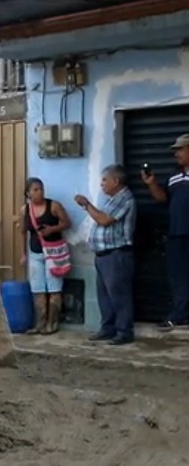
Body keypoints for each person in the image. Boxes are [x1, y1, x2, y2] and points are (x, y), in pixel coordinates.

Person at [75, 164, 137, 345]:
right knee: (105, 296)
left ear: (116, 181)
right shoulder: (112, 199)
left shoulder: (125, 198)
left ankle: (124, 332)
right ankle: (108, 329)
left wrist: (86, 204)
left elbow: (104, 220)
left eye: (104, 180)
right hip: (103, 256)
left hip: (116, 255)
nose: (101, 184)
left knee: (119, 296)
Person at [141, 133, 189, 332]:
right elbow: (163, 199)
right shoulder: (174, 176)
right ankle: (180, 315)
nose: (175, 154)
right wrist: (151, 183)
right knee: (178, 277)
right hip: (177, 233)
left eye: (179, 149)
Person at [19, 178, 72, 334]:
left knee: (54, 288)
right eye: (35, 190)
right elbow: (22, 232)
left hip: (54, 254)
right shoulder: (25, 210)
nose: (39, 192)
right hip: (35, 253)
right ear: (27, 193)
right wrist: (23, 253)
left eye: (41, 189)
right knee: (38, 290)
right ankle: (40, 323)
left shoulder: (54, 206)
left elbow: (67, 223)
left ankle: (52, 323)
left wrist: (52, 229)